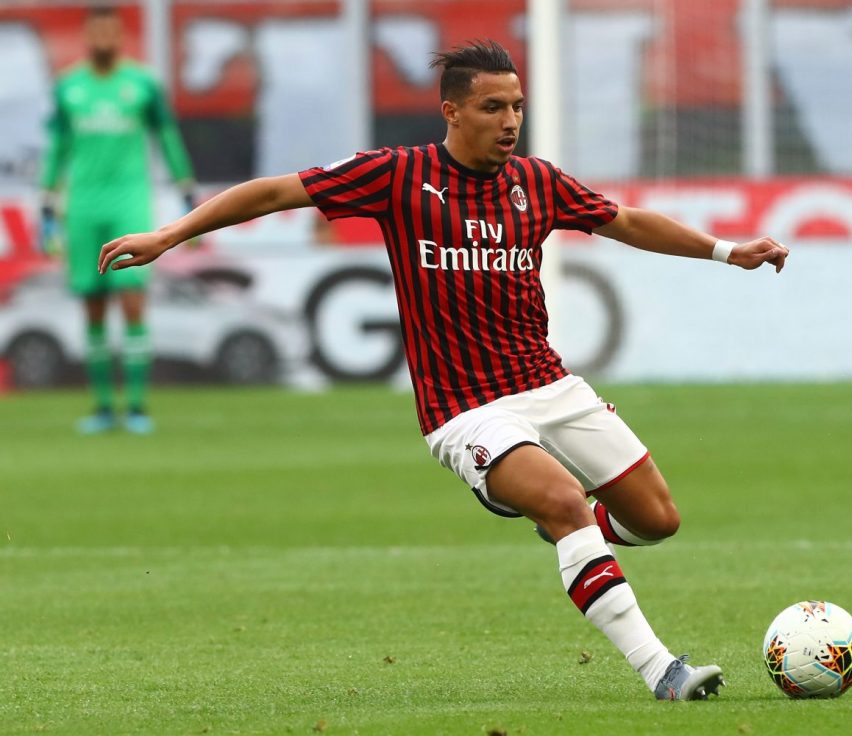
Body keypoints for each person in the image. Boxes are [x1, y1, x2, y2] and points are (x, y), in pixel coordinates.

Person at [99, 41, 789, 700]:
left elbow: (627, 221)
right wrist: (169, 234)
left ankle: (570, 530)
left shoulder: (538, 182)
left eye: (516, 106)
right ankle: (661, 669)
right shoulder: (398, 175)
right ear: (451, 111)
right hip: (465, 409)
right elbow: (276, 193)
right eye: (493, 107)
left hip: (550, 385)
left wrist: (728, 251)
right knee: (563, 502)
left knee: (657, 519)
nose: (510, 121)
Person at [40, 4, 195, 434]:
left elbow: (167, 136)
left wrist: (185, 188)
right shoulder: (68, 86)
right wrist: (47, 200)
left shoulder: (142, 84)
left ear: (120, 36)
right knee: (93, 307)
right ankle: (105, 407)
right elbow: (57, 147)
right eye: (97, 32)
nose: (104, 39)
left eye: (111, 31)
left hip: (130, 203)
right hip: (83, 206)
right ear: (87, 36)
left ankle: (138, 406)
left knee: (131, 300)